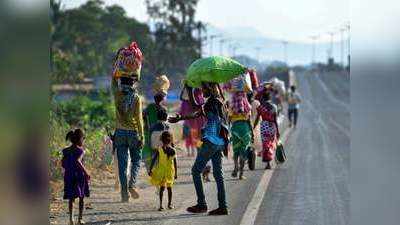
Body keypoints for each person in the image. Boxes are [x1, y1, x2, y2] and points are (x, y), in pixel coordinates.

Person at [169, 82, 230, 216]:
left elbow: (196, 108)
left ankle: (202, 204)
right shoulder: (220, 102)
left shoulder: (211, 103)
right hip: (220, 142)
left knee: (196, 171)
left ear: (209, 88)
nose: (202, 91)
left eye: (203, 89)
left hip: (211, 141)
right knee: (218, 175)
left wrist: (190, 91)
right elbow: (198, 111)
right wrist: (181, 117)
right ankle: (223, 206)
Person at [61, 129, 90, 225]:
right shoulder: (80, 151)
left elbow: (63, 164)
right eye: (83, 139)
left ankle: (71, 220)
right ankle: (80, 219)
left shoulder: (65, 151)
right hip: (79, 177)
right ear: (79, 139)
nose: (83, 141)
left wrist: (69, 168)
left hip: (69, 176)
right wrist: (86, 172)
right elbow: (78, 161)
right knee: (81, 197)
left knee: (71, 198)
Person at [148, 131, 178, 211]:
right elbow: (175, 163)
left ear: (161, 140)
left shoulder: (159, 150)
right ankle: (169, 204)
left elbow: (154, 160)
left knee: (162, 188)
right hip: (170, 172)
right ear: (170, 140)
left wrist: (150, 169)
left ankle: (161, 205)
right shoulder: (173, 150)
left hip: (161, 172)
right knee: (169, 188)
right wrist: (176, 174)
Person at [253, 86, 281, 169]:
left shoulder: (261, 107)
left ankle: (268, 163)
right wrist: (278, 131)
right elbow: (275, 120)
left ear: (263, 98)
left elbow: (258, 118)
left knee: (265, 145)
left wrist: (253, 127)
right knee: (271, 144)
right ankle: (269, 161)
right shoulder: (274, 107)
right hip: (272, 126)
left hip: (264, 126)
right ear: (270, 97)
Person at [229, 91, 253, 180]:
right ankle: (241, 174)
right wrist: (252, 133)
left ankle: (236, 166)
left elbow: (229, 120)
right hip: (245, 129)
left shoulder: (232, 106)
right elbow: (249, 120)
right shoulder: (246, 105)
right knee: (243, 151)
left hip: (235, 128)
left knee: (236, 151)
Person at [179, 86, 206, 157]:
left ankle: (198, 153)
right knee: (199, 140)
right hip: (200, 124)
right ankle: (199, 153)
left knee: (195, 140)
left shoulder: (190, 99)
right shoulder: (200, 98)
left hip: (192, 124)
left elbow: (182, 99)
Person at [143, 92, 167, 171]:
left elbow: (143, 114)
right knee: (160, 149)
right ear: (162, 100)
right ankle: (159, 166)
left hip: (152, 131)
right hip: (161, 131)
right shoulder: (163, 109)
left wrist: (146, 124)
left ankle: (154, 166)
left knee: (153, 148)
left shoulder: (150, 107)